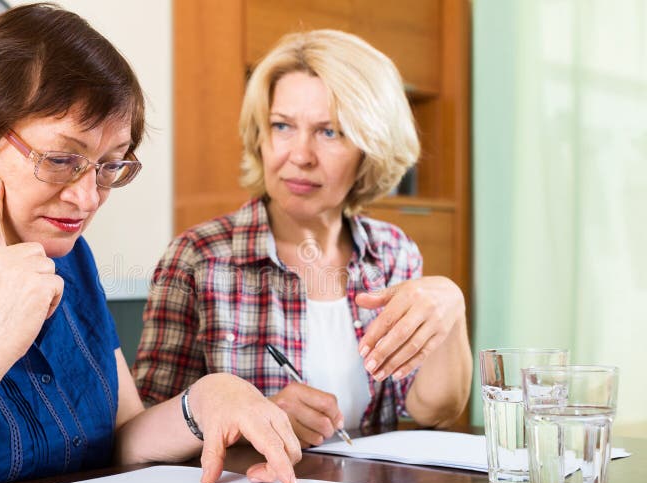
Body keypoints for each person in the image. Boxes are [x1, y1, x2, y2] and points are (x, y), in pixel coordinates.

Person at [0, 4, 300, 483]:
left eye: (109, 166)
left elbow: (122, 436)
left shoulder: (66, 250)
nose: (87, 200)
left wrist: (207, 400)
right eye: (61, 160)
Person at [133, 29, 473, 447]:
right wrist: (256, 420)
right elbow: (146, 428)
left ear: (370, 147)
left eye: (329, 132)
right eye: (282, 126)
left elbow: (434, 411)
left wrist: (451, 308)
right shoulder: (197, 257)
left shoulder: (392, 252)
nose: (300, 155)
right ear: (260, 135)